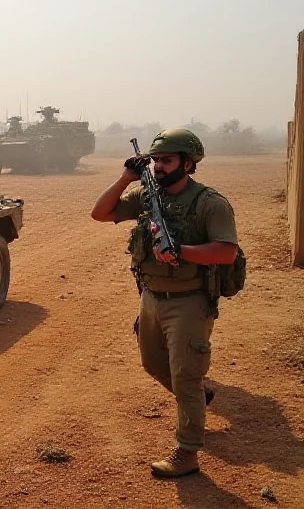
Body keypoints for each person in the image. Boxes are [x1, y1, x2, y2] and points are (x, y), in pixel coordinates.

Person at [90, 128, 238, 478]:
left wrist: (181, 251)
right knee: (153, 364)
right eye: (155, 160)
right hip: (151, 297)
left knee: (185, 379)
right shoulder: (146, 195)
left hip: (189, 301)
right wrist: (126, 177)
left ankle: (186, 453)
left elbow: (227, 251)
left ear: (187, 164)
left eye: (166, 160)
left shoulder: (209, 203)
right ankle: (198, 398)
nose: (157, 166)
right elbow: (100, 213)